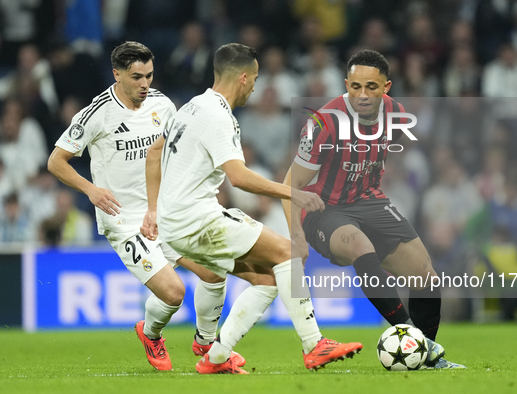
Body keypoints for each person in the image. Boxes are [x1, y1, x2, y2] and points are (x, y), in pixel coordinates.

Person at [47, 41, 270, 372]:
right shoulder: (96, 114)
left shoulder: (163, 105)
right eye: (136, 77)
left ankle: (208, 346)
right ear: (117, 74)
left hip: (164, 211)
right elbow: (56, 161)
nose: (144, 84)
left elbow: (175, 153)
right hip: (123, 220)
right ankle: (150, 333)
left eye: (149, 76)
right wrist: (90, 190)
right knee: (174, 292)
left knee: (214, 272)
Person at [143, 43, 363, 374]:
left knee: (268, 279)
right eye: (256, 78)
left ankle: (216, 357)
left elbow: (155, 152)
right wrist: (293, 194)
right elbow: (239, 177)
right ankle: (315, 345)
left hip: (178, 224)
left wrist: (156, 208)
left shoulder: (189, 107)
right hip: (198, 221)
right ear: (243, 78)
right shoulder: (219, 116)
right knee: (287, 253)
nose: (256, 87)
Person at [283, 49, 466, 369]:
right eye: (355, 87)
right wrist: (296, 236)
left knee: (426, 278)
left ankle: (425, 357)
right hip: (325, 209)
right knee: (360, 245)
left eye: (371, 87)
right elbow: (290, 185)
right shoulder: (322, 123)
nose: (363, 95)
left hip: (370, 201)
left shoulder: (395, 113)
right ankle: (413, 338)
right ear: (346, 84)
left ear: (387, 87)